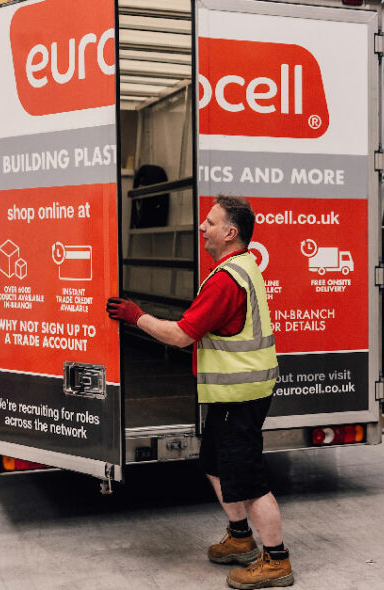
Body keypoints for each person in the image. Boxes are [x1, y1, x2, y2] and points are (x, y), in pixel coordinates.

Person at [106, 195, 292, 589]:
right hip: (238, 392)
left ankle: (276, 560)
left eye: (210, 222)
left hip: (240, 394)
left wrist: (136, 317)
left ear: (230, 232)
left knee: (250, 479)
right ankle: (241, 537)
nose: (202, 228)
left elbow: (180, 336)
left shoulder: (227, 280)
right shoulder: (240, 268)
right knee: (214, 463)